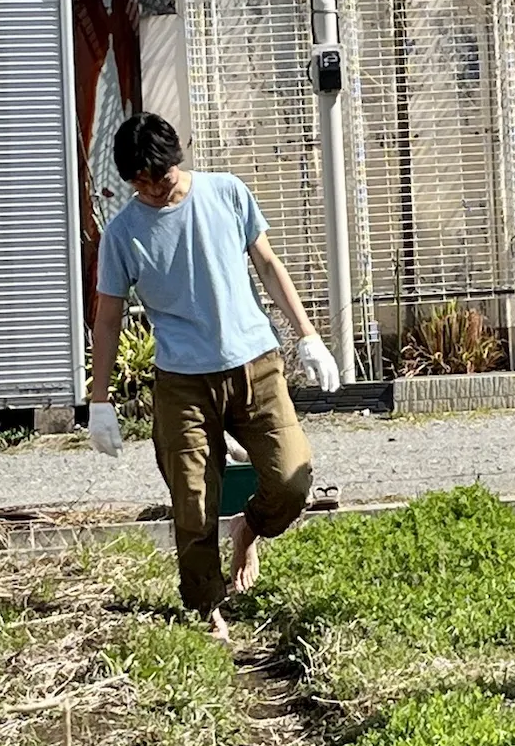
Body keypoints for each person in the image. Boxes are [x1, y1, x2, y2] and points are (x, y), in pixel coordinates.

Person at [87, 113, 341, 641]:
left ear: (177, 160)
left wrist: (308, 335)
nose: (153, 190)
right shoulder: (122, 233)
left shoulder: (227, 193)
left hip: (256, 364)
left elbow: (269, 265)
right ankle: (207, 604)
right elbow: (108, 315)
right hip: (182, 380)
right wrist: (100, 399)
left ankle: (249, 526)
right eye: (140, 183)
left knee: (292, 477)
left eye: (160, 177)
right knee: (194, 497)